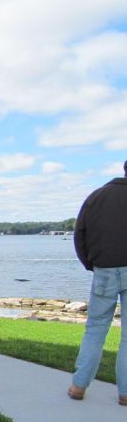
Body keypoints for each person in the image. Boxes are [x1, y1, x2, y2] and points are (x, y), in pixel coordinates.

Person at [69, 159, 127, 406]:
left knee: (95, 329)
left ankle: (79, 386)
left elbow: (79, 234)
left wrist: (90, 263)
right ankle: (125, 393)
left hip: (103, 269)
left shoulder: (96, 197)